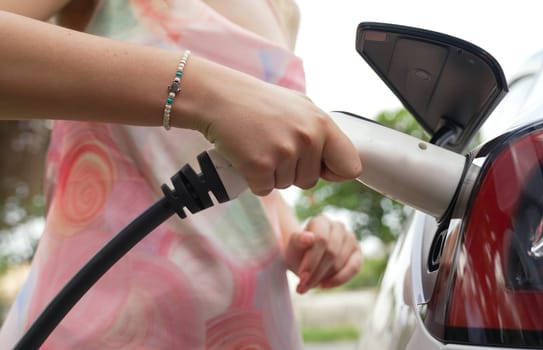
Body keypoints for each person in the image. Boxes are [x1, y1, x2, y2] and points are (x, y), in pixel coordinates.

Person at [0, 1, 363, 348]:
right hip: (99, 323)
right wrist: (204, 94)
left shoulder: (283, 10)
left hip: (251, 327)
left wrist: (300, 239)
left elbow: (251, 184)